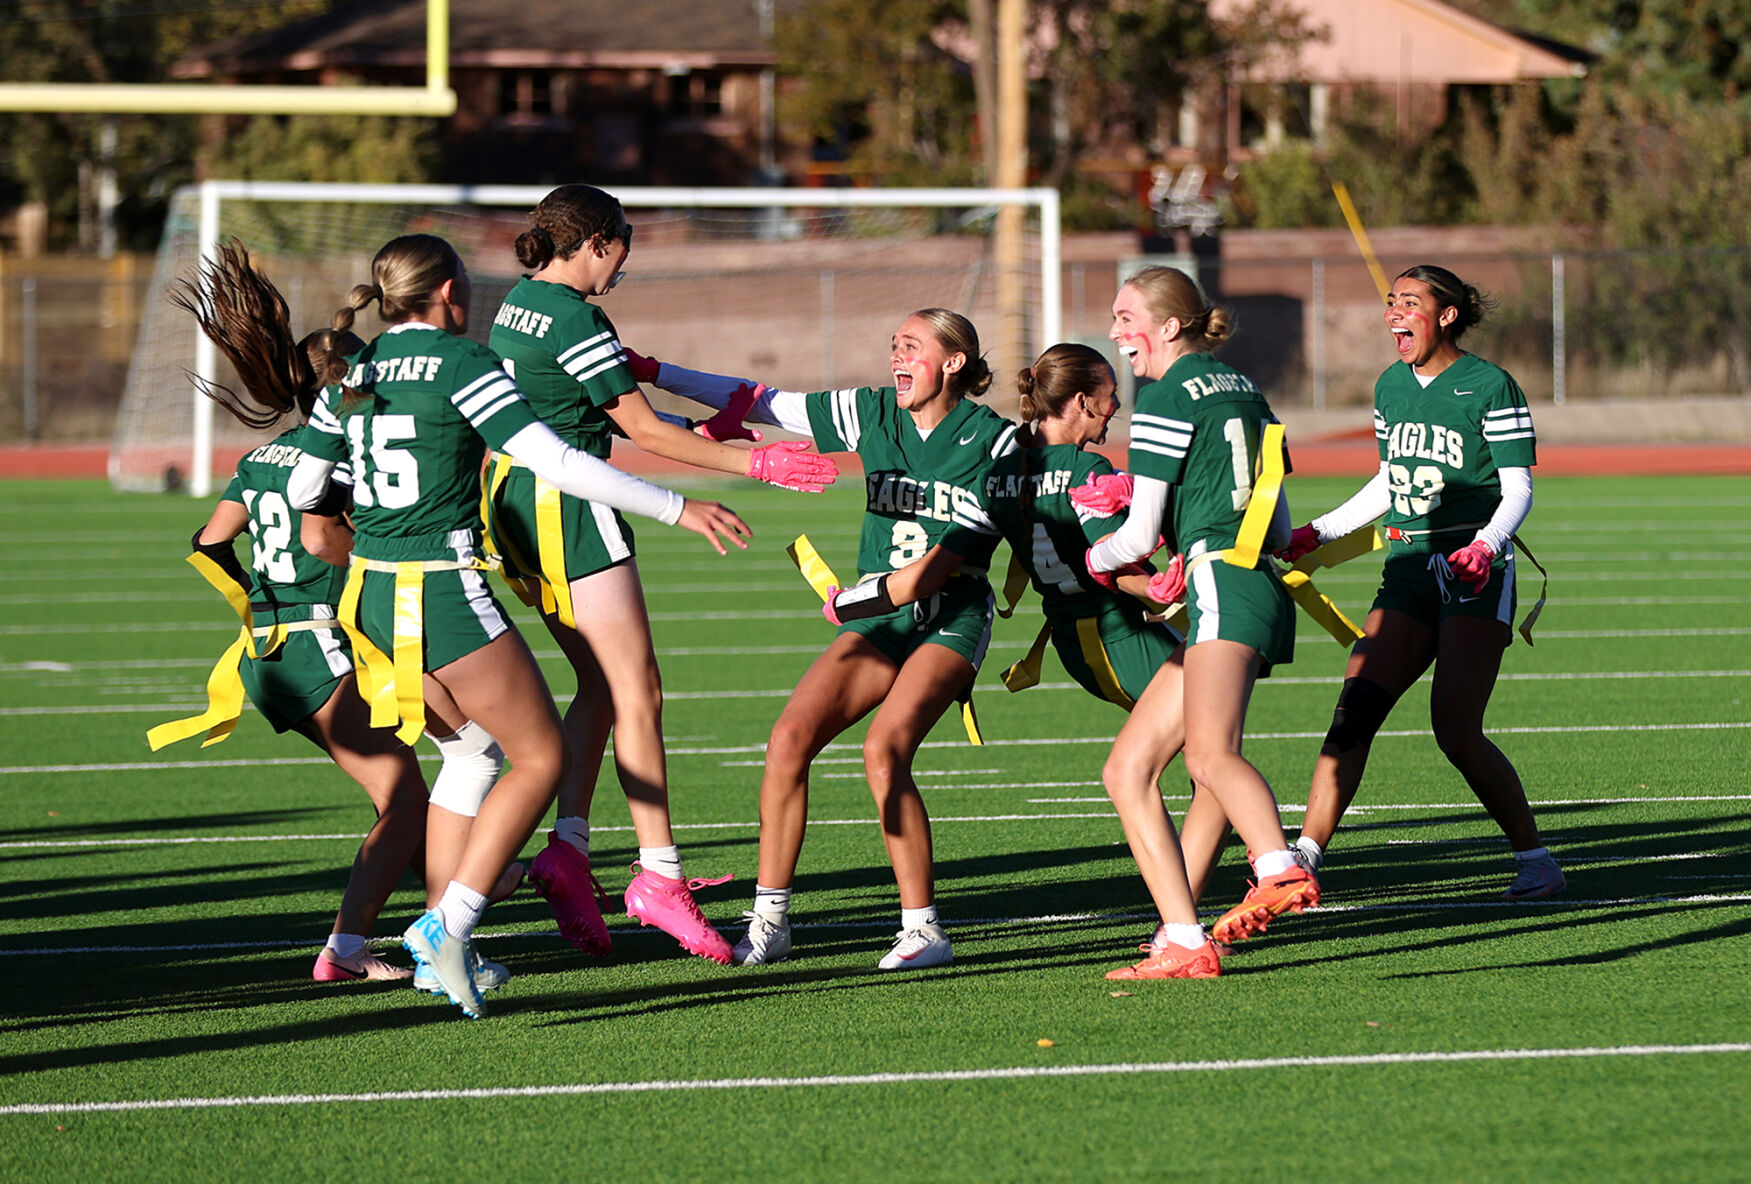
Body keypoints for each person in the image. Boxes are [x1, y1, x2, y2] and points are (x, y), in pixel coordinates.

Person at [286, 233, 751, 1017]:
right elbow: (558, 462)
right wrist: (679, 505)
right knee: (538, 756)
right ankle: (448, 927)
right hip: (437, 588)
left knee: (470, 754)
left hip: (367, 593)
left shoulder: (353, 370)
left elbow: (307, 485)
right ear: (443, 292)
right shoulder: (461, 364)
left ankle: (441, 952)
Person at [483, 184, 836, 966]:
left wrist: (706, 433)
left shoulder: (519, 302)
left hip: (514, 500)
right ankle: (658, 877)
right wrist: (755, 463)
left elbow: (591, 414)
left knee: (604, 686)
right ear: (599, 240)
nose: (626, 261)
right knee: (638, 688)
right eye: (625, 244)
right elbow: (636, 431)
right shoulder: (577, 315)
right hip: (564, 507)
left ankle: (567, 852)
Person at [821, 342, 1221, 979]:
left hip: (1072, 638)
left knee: (1199, 763)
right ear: (1083, 401)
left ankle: (1187, 915)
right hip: (1115, 632)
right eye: (1109, 395)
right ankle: (1194, 914)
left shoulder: (1003, 469)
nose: (1116, 406)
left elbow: (956, 552)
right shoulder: (1083, 469)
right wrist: (1161, 585)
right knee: (1212, 763)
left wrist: (854, 599)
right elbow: (1111, 563)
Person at [637, 309, 1019, 970]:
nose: (896, 354)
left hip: (949, 615)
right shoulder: (872, 411)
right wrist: (653, 372)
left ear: (955, 361)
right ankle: (770, 919)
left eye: (912, 345)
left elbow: (940, 568)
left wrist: (854, 599)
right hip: (879, 620)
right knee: (787, 740)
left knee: (884, 749)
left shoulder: (997, 443)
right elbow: (753, 400)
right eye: (892, 342)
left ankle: (923, 928)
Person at [152, 241, 427, 985]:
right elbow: (347, 544)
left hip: (264, 655)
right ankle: (345, 949)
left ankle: (481, 888)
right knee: (404, 798)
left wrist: (259, 602)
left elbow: (208, 546)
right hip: (316, 650)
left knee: (405, 796)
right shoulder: (342, 455)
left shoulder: (262, 456)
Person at [1278, 264, 1564, 901]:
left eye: (1409, 302)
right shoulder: (1390, 385)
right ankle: (1304, 857)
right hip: (1408, 572)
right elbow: (1391, 480)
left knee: (1455, 729)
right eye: (1390, 302)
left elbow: (1518, 486)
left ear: (1447, 315)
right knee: (1352, 712)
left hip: (1474, 575)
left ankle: (1537, 859)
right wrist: (1319, 532)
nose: (1394, 314)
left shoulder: (1490, 384)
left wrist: (1486, 547)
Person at [1085, 265, 1319, 961]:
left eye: (1126, 317)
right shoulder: (1243, 388)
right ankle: (1179, 937)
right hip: (1253, 580)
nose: (1114, 331)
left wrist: (1098, 557)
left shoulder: (1164, 395)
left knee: (1211, 756)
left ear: (1167, 326)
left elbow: (1136, 534)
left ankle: (1277, 867)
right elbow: (1276, 523)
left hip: (1219, 581)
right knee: (1128, 768)